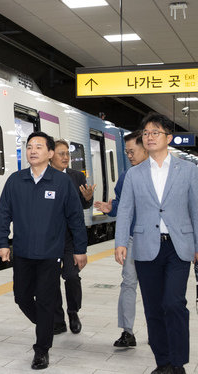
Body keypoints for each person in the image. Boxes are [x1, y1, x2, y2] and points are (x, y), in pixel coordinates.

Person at [0, 131, 87, 370]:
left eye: (38, 146)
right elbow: (4, 213)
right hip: (23, 253)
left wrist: (80, 249)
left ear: (49, 153)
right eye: (29, 146)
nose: (32, 150)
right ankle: (46, 325)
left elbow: (75, 218)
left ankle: (42, 350)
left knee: (46, 301)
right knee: (22, 297)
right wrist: (2, 243)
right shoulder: (16, 180)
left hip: (50, 253)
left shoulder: (62, 182)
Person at [115, 112, 198, 374]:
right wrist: (120, 242)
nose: (149, 137)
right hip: (145, 246)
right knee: (153, 307)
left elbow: (196, 208)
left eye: (155, 133)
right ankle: (163, 362)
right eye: (146, 133)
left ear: (168, 138)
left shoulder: (188, 170)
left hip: (178, 246)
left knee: (173, 303)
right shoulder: (134, 174)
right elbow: (126, 210)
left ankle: (179, 361)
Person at [94, 131, 147, 348]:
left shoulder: (161, 174)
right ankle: (127, 332)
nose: (129, 156)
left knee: (156, 287)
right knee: (128, 283)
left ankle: (158, 329)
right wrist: (111, 208)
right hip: (134, 237)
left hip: (158, 239)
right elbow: (120, 204)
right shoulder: (127, 176)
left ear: (145, 148)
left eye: (132, 151)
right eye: (126, 152)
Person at [50, 139, 95, 335]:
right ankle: (58, 319)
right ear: (51, 155)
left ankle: (73, 312)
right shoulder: (44, 176)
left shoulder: (76, 176)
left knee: (71, 276)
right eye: (62, 153)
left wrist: (88, 199)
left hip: (69, 237)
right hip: (49, 238)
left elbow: (83, 207)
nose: (66, 157)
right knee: (50, 280)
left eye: (67, 153)